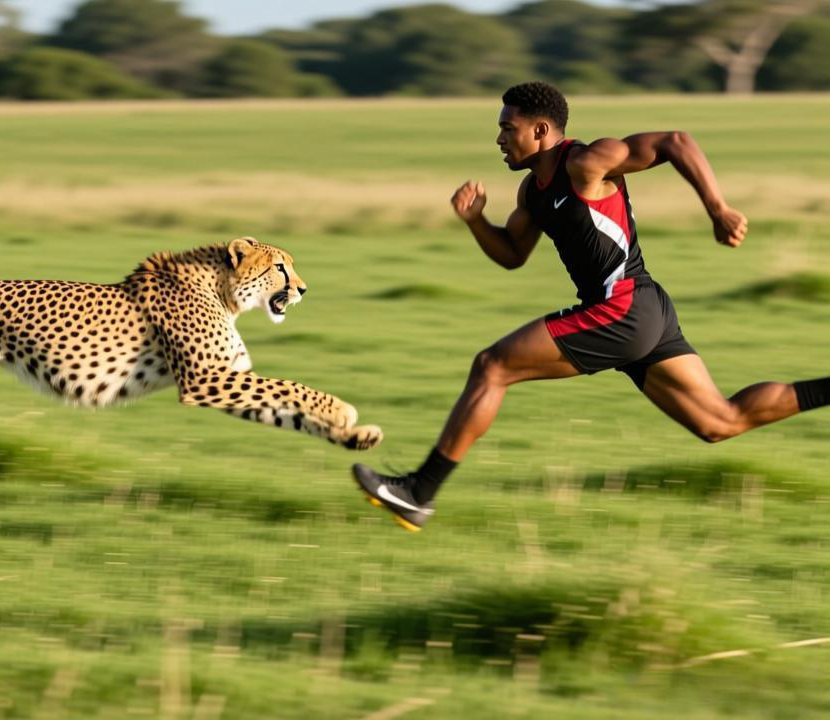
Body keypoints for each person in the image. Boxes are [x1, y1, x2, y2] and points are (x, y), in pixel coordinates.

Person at [352, 81, 830, 532]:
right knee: (720, 422)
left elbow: (676, 141)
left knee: (493, 366)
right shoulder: (532, 192)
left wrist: (718, 209)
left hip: (622, 308)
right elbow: (513, 255)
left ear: (540, 130)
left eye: (507, 127)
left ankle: (419, 491)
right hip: (643, 310)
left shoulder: (587, 162)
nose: (499, 139)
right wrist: (477, 221)